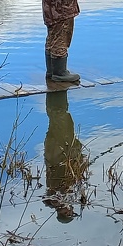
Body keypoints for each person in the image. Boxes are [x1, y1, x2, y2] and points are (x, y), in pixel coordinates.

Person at [43, 89, 87, 222]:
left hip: (58, 152)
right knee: (59, 118)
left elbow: (63, 175)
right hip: (58, 151)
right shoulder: (60, 198)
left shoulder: (55, 197)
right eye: (71, 211)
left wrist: (79, 163)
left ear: (63, 213)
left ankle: (56, 93)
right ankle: (57, 93)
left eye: (69, 212)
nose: (70, 210)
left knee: (59, 119)